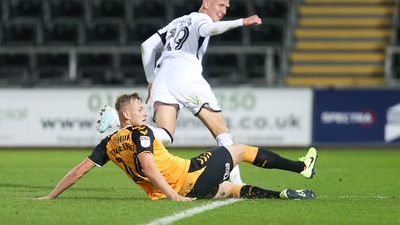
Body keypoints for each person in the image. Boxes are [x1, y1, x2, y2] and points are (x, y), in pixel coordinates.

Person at [96, 0, 263, 185]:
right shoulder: (201, 19)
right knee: (222, 132)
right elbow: (209, 29)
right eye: (220, 5)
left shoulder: (176, 22)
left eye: (226, 7)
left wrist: (150, 80)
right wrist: (242, 22)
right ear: (206, 3)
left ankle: (116, 121)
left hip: (162, 76)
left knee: (165, 136)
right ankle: (238, 184)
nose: (223, 10)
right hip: (185, 73)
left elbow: (146, 46)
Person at [38, 93, 318, 201]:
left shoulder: (108, 144)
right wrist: (175, 196)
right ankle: (301, 167)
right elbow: (148, 166)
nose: (145, 113)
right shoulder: (140, 132)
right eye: (139, 109)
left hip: (185, 186)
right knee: (239, 150)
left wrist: (50, 197)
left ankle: (283, 195)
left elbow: (78, 172)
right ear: (127, 116)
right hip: (189, 178)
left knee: (231, 189)